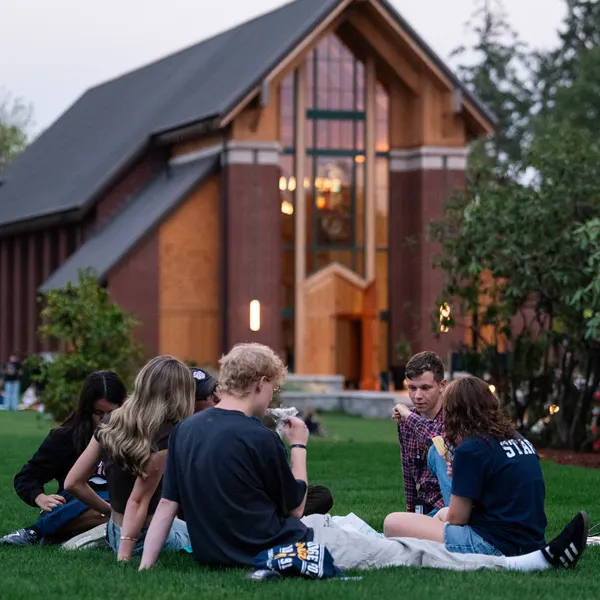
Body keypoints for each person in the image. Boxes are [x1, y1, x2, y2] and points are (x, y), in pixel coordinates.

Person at [138, 343, 588, 574]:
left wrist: (136, 565)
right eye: (273, 386)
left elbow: (164, 508)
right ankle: (525, 563)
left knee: (357, 524)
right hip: (284, 546)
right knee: (405, 551)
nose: (274, 394)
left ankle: (363, 529)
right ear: (258, 382)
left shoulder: (185, 432)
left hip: (230, 550)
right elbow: (295, 508)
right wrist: (298, 446)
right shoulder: (258, 438)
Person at [384, 376, 550, 558]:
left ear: (455, 411)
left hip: (494, 543)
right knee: (441, 513)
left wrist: (441, 520)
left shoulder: (471, 448)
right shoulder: (518, 438)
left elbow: (458, 519)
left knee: (393, 522)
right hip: (530, 540)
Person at [65, 355, 194, 561]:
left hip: (114, 529)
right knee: (212, 540)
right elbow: (138, 499)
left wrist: (109, 511)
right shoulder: (166, 436)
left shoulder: (111, 421)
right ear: (181, 394)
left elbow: (73, 482)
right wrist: (124, 556)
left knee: (192, 529)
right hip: (141, 537)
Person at [0, 371, 126, 546]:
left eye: (112, 413)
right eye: (98, 413)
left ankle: (41, 530)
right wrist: (39, 497)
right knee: (78, 500)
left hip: (115, 501)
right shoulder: (65, 437)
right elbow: (27, 477)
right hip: (76, 504)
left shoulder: (132, 438)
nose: (105, 420)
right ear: (87, 409)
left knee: (121, 503)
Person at [190, 366, 333, 516]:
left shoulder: (192, 429)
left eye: (216, 389)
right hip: (236, 515)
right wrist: (298, 446)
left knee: (320, 494)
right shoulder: (195, 433)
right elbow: (295, 509)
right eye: (208, 395)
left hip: (235, 505)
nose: (217, 397)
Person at [393, 351, 451, 516]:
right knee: (394, 527)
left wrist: (408, 416)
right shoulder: (406, 420)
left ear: (442, 385)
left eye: (425, 388)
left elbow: (436, 438)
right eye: (412, 388)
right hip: (425, 507)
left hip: (452, 508)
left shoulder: (454, 415)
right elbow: (408, 473)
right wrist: (410, 514)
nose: (417, 396)